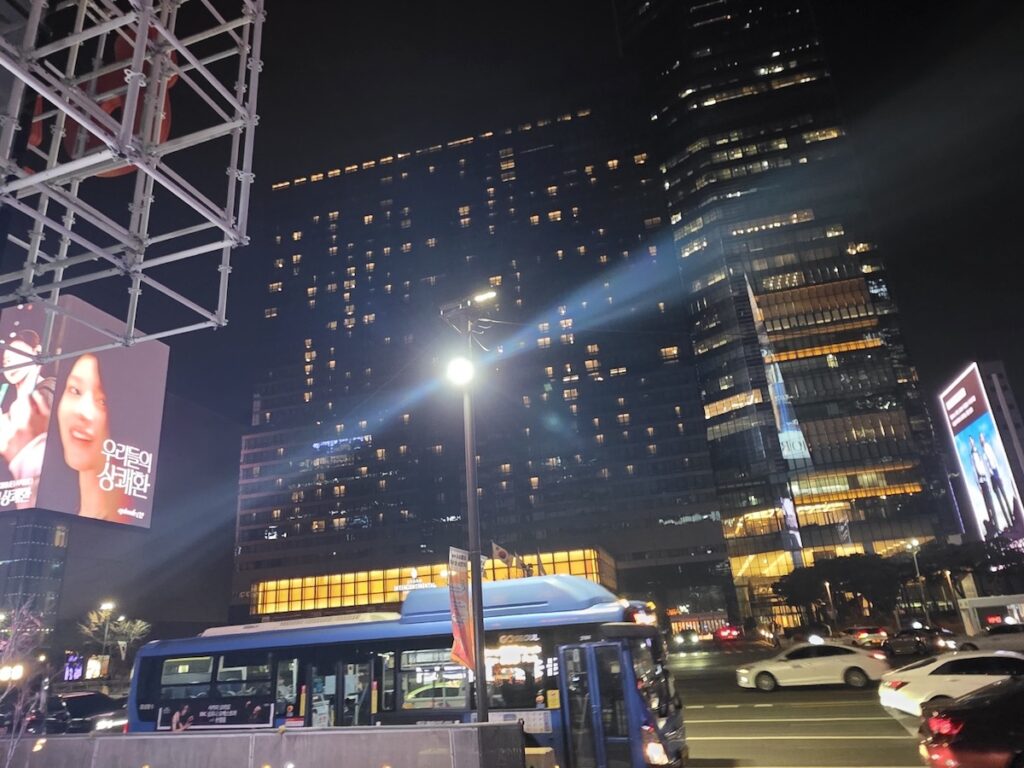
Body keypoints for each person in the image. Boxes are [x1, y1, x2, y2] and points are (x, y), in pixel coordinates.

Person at [55, 353, 122, 522]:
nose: (83, 412)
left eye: (103, 401)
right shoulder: (59, 506)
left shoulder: (125, 519)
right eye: (75, 390)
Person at [0, 330, 55, 506]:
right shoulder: (7, 403)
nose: (10, 363)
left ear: (36, 351)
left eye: (16, 354)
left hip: (32, 497)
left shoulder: (48, 390)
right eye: (6, 360)